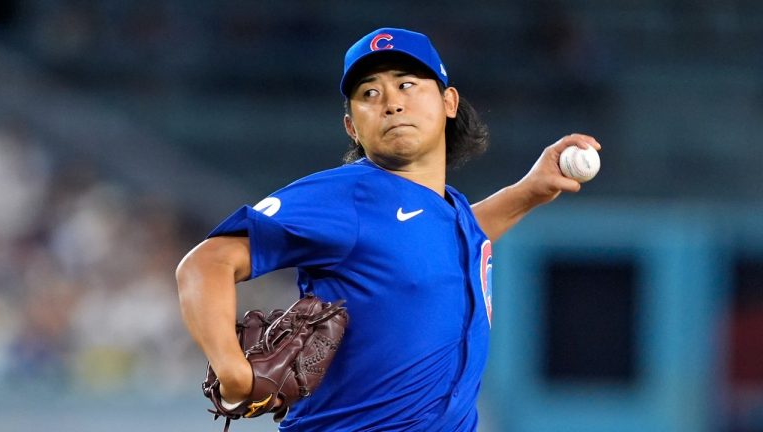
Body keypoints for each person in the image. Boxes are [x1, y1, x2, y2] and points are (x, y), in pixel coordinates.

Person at [176, 27, 601, 431]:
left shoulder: (447, 213)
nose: (391, 103)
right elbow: (204, 263)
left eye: (407, 84)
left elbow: (448, 236)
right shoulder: (347, 195)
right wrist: (232, 368)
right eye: (369, 94)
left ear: (449, 102)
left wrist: (530, 191)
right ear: (351, 127)